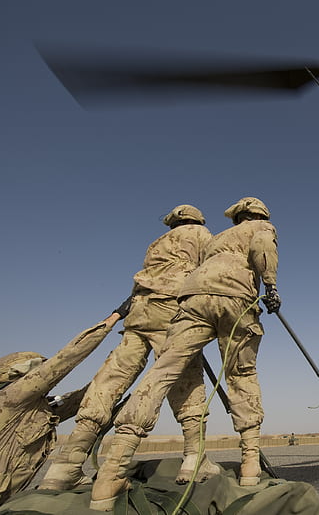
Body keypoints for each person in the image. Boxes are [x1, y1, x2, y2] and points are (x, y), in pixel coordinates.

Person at [89, 197, 281, 511]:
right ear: (259, 215)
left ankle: (111, 472)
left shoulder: (217, 238)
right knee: (241, 375)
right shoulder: (262, 227)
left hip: (193, 299)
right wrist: (271, 287)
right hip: (236, 299)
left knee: (162, 371)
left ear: (236, 217)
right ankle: (249, 466)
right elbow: (263, 249)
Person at [40, 204, 213, 490]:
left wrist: (118, 313)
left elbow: (141, 286)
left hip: (138, 312)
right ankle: (193, 458)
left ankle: (65, 466)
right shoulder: (202, 234)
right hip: (172, 311)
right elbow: (210, 274)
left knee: (110, 380)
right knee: (183, 379)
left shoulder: (156, 243)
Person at [0, 316, 120, 515]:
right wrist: (113, 319)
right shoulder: (4, 401)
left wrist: (121, 359)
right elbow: (64, 361)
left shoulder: (38, 411)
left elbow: (84, 398)